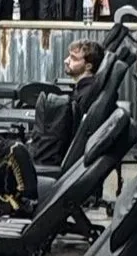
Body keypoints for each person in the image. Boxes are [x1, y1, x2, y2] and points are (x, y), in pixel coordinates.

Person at [29, 36, 103, 168]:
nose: (66, 60)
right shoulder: (84, 89)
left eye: (73, 58)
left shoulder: (86, 96)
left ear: (88, 66)